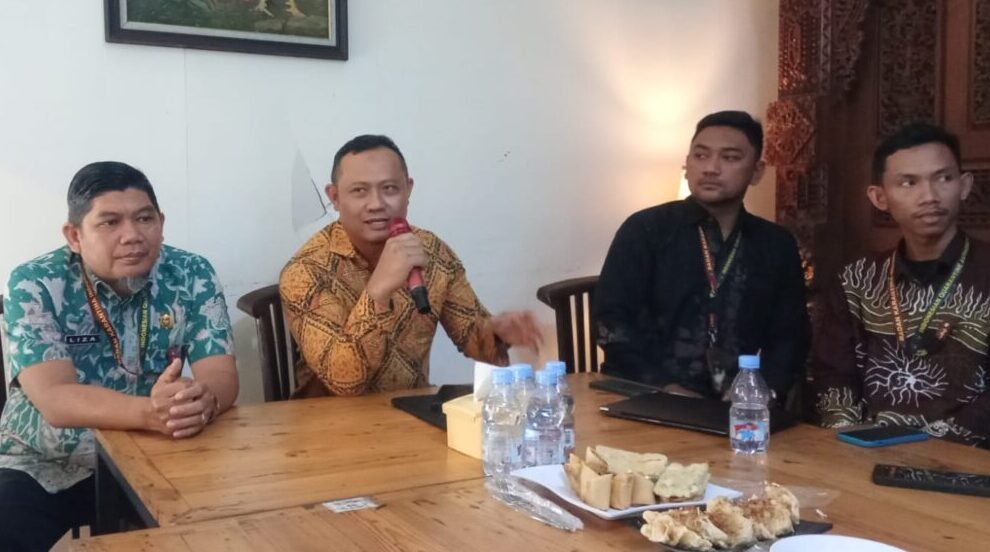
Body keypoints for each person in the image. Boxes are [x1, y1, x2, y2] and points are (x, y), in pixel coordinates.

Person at [0, 161, 239, 551]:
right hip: (49, 461)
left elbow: (222, 374)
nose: (132, 236)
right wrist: (152, 412)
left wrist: (202, 401)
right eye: (110, 223)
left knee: (239, 517)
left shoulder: (191, 272)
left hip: (159, 455)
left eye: (144, 219)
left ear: (161, 222)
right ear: (74, 235)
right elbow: (56, 399)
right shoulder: (35, 283)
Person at [280, 135, 541, 397]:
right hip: (329, 419)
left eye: (389, 188)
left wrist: (499, 330)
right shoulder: (304, 272)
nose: (376, 204)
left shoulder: (431, 251)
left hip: (410, 410)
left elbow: (474, 339)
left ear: (408, 190)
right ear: (335, 197)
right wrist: (379, 290)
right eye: (359, 191)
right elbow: (346, 381)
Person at [594, 111, 810, 401]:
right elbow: (611, 322)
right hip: (644, 395)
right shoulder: (646, 229)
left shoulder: (775, 244)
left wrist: (760, 389)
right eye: (700, 156)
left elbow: (790, 335)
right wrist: (664, 387)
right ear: (686, 165)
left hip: (738, 403)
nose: (711, 168)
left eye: (729, 158)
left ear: (757, 172)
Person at [813, 122, 988, 446]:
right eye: (909, 182)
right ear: (879, 197)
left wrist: (937, 445)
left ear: (964, 186)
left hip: (970, 456)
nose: (929, 196)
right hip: (866, 450)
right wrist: (847, 440)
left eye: (943, 179)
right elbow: (834, 372)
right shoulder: (856, 279)